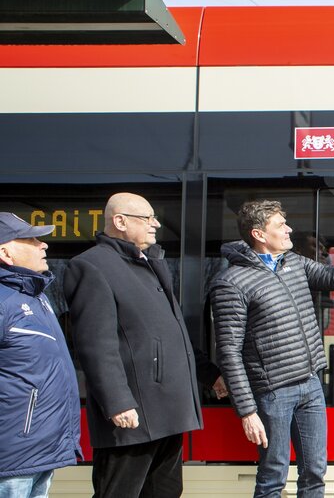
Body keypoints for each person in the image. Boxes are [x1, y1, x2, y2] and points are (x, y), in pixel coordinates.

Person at [211, 200, 334, 498]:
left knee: (315, 472)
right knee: (273, 477)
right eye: (280, 225)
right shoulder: (231, 283)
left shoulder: (293, 262)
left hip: (310, 384)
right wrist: (246, 411)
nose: (289, 228)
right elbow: (229, 352)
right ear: (259, 234)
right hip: (272, 393)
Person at [64, 193, 220, 497]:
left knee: (165, 491)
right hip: (133, 412)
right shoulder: (91, 266)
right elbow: (96, 343)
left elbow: (174, 335)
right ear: (120, 221)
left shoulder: (151, 264)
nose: (156, 224)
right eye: (148, 218)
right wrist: (118, 401)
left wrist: (209, 374)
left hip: (168, 410)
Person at [0, 213, 80, 497]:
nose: (43, 245)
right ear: (5, 252)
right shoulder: (4, 301)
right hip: (11, 460)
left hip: (38, 453)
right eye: (31, 239)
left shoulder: (37, 298)